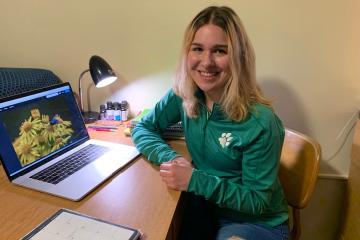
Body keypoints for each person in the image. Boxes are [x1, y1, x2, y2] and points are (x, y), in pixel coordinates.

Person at [131, 5, 289, 240]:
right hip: (204, 208)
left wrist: (195, 179)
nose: (206, 62)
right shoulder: (184, 93)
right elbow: (142, 126)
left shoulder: (261, 122)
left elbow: (257, 201)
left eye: (220, 51)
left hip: (255, 223)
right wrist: (173, 159)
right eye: (198, 49)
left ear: (238, 57)